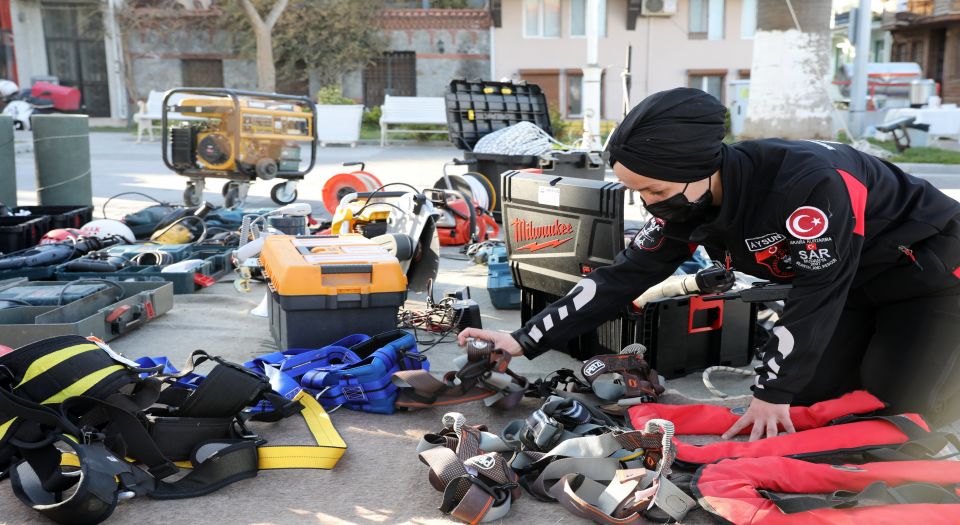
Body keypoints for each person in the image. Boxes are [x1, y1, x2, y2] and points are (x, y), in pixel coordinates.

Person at [458, 87, 960, 440]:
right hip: (851, 287)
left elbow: (816, 292)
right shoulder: (688, 200)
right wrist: (526, 339)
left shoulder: (807, 185)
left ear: (703, 169)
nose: (650, 205)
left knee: (895, 408)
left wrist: (772, 389)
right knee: (812, 404)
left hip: (928, 273)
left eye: (655, 191)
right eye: (637, 193)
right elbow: (622, 276)